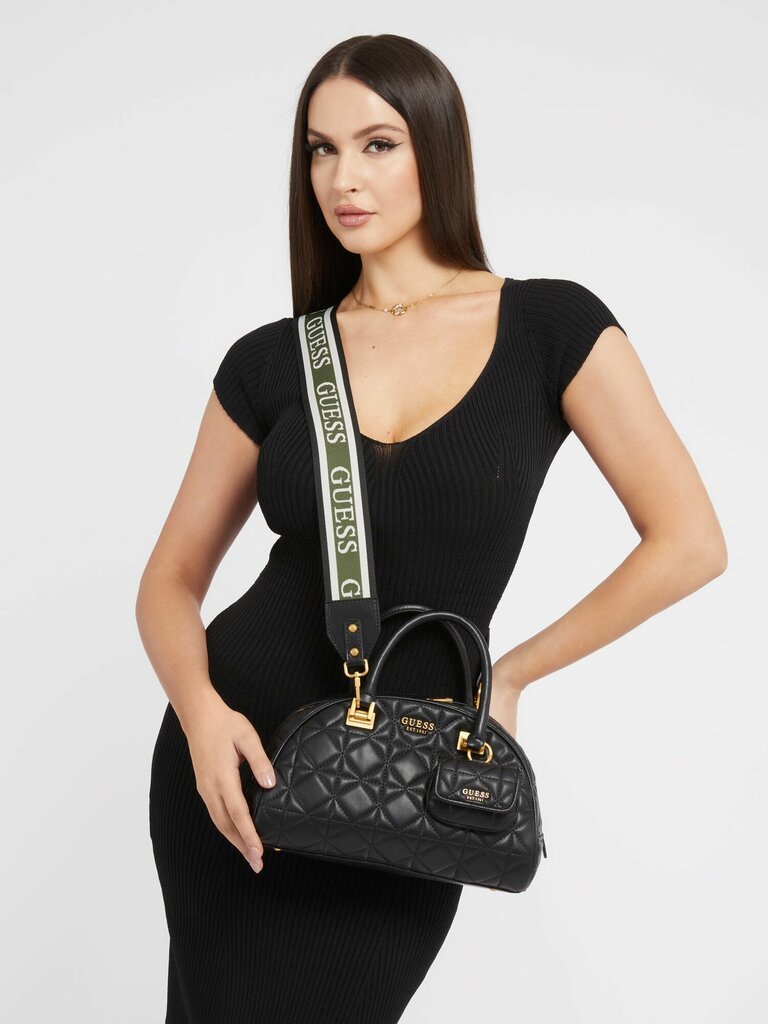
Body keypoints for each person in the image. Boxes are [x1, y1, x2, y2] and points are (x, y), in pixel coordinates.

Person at [135, 33, 728, 1024]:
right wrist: (199, 713)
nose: (343, 178)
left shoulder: (550, 328)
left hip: (414, 786)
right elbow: (169, 580)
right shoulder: (275, 361)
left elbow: (690, 539)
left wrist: (513, 675)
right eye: (321, 150)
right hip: (238, 765)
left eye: (377, 144)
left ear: (437, 149)